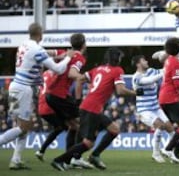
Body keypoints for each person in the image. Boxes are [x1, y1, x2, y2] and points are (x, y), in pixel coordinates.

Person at [51, 48, 143, 171]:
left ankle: (93, 156)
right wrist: (135, 92)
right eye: (119, 57)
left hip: (88, 106)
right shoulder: (117, 70)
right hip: (92, 109)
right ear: (117, 58)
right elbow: (120, 90)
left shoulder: (97, 69)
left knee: (114, 130)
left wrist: (78, 99)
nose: (120, 59)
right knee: (88, 143)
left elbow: (80, 79)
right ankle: (60, 160)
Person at [0, 22, 73, 170]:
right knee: (24, 126)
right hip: (24, 90)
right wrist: (68, 58)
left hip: (15, 86)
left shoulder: (24, 45)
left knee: (22, 126)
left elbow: (42, 53)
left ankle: (16, 160)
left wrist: (58, 54)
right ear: (41, 35)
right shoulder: (36, 49)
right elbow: (58, 69)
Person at [46, 33, 89, 169]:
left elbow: (47, 52)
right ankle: (73, 158)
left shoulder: (66, 53)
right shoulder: (79, 57)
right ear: (83, 45)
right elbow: (72, 74)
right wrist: (84, 77)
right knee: (82, 124)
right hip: (59, 95)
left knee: (74, 125)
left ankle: (69, 159)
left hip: (50, 95)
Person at [132, 55, 175, 163]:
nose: (146, 61)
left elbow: (165, 69)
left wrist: (170, 58)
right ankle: (155, 153)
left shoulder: (152, 71)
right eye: (143, 60)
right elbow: (149, 80)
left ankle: (167, 150)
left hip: (156, 107)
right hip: (144, 110)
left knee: (171, 129)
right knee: (160, 125)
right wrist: (162, 73)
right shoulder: (136, 77)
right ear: (138, 64)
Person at [158, 37, 179, 165]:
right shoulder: (176, 62)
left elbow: (171, 81)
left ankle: (176, 155)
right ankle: (168, 149)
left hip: (164, 96)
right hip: (170, 97)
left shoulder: (168, 60)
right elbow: (176, 83)